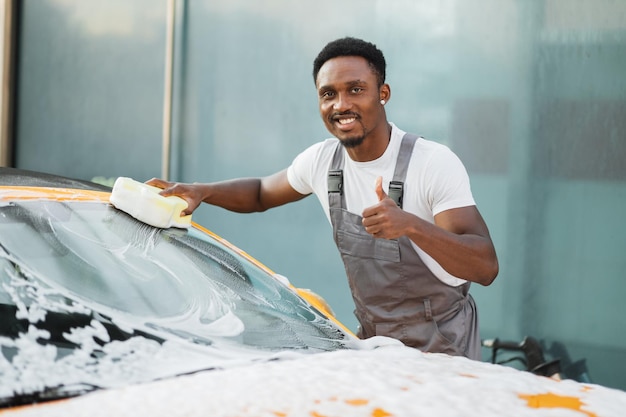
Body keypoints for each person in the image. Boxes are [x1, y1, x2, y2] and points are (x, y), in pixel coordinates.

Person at [147, 37, 498, 360]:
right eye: (328, 94)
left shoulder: (431, 163)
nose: (341, 105)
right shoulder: (322, 161)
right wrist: (202, 191)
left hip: (444, 351)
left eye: (356, 90)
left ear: (383, 93)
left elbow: (485, 267)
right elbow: (259, 193)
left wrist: (411, 226)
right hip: (375, 346)